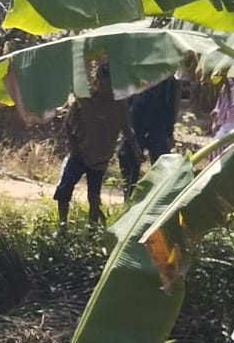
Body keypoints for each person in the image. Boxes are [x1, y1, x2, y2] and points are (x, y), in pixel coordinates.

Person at [55, 62, 136, 228]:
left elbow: (127, 129)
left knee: (94, 195)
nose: (105, 88)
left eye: (109, 85)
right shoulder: (85, 99)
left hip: (101, 157)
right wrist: (74, 148)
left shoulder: (119, 104)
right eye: (102, 83)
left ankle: (92, 228)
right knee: (64, 190)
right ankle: (62, 225)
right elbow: (68, 125)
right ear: (96, 81)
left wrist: (137, 150)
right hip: (81, 152)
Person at [122, 74, 179, 190]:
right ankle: (128, 196)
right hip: (136, 123)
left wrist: (169, 133)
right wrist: (125, 126)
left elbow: (172, 105)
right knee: (128, 158)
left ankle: (160, 195)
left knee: (162, 163)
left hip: (159, 126)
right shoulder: (136, 71)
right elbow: (126, 100)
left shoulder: (168, 79)